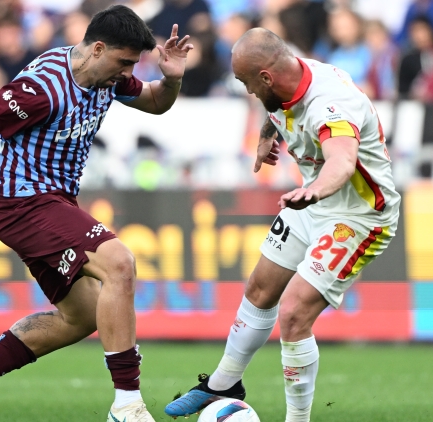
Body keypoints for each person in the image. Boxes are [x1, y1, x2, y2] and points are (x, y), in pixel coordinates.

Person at [0, 5, 193, 422]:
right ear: (98, 49)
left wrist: (172, 79)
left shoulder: (106, 76)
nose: (127, 72)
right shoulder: (41, 89)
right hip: (21, 203)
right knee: (120, 263)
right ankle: (127, 404)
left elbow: (154, 101)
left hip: (55, 202)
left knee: (83, 315)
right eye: (124, 62)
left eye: (133, 64)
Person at [165, 28, 400, 422]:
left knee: (293, 313)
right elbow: (280, 106)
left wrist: (314, 191)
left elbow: (342, 161)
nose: (248, 91)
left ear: (266, 76)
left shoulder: (331, 105)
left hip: (357, 215)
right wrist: (266, 134)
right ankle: (223, 384)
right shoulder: (288, 77)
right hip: (312, 200)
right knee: (260, 288)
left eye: (247, 83)